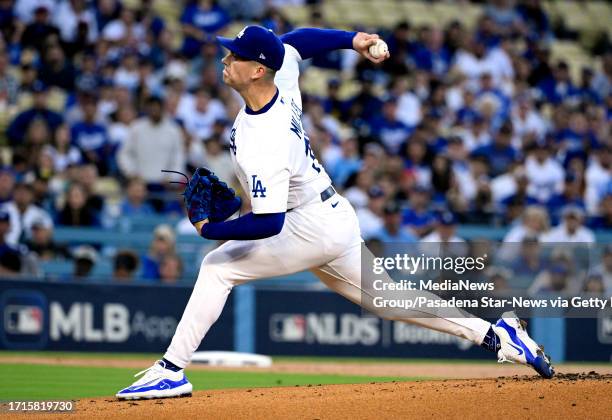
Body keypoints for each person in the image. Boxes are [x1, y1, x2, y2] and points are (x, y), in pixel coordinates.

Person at [116, 25, 553, 400]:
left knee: (217, 267)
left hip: (307, 224)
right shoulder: (278, 78)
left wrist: (212, 229)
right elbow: (297, 41)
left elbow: (270, 223)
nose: (225, 59)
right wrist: (354, 38)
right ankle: (497, 335)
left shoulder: (264, 139)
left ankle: (171, 370)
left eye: (236, 55)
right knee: (389, 300)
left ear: (256, 70)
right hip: (331, 215)